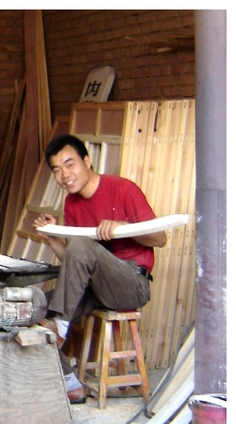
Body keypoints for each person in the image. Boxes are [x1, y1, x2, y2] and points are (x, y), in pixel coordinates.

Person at [34, 134, 167, 403]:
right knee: (31, 310)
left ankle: (60, 326)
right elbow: (75, 259)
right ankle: (70, 383)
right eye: (57, 170)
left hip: (131, 283)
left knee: (82, 245)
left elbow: (161, 239)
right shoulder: (71, 203)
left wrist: (123, 229)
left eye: (69, 164)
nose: (64, 175)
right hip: (95, 286)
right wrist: (52, 239)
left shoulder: (122, 189)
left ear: (87, 161)